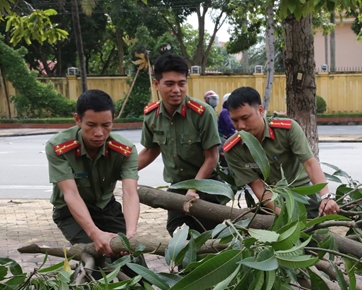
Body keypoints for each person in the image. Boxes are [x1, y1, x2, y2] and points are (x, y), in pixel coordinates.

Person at [46, 89, 139, 257]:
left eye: (106, 125)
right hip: (70, 213)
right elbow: (71, 193)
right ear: (78, 120)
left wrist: (130, 233)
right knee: (97, 262)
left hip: (106, 208)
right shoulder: (58, 147)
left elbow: (130, 192)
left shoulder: (126, 150)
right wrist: (95, 234)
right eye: (91, 125)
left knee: (133, 262)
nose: (99, 133)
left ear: (113, 121)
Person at [138, 54, 223, 236]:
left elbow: (212, 158)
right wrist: (124, 171)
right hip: (177, 188)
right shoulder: (151, 116)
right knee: (177, 232)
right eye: (169, 84)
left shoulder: (202, 113)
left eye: (181, 83)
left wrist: (194, 188)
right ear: (156, 85)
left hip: (207, 186)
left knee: (211, 237)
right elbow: (150, 150)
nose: (176, 89)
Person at [222, 86, 339, 218]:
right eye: (235, 121)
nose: (241, 126)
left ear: (260, 111)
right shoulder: (233, 149)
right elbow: (258, 187)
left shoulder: (287, 130)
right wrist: (285, 217)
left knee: (317, 235)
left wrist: (326, 197)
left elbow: (310, 164)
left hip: (303, 193)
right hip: (272, 200)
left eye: (245, 118)